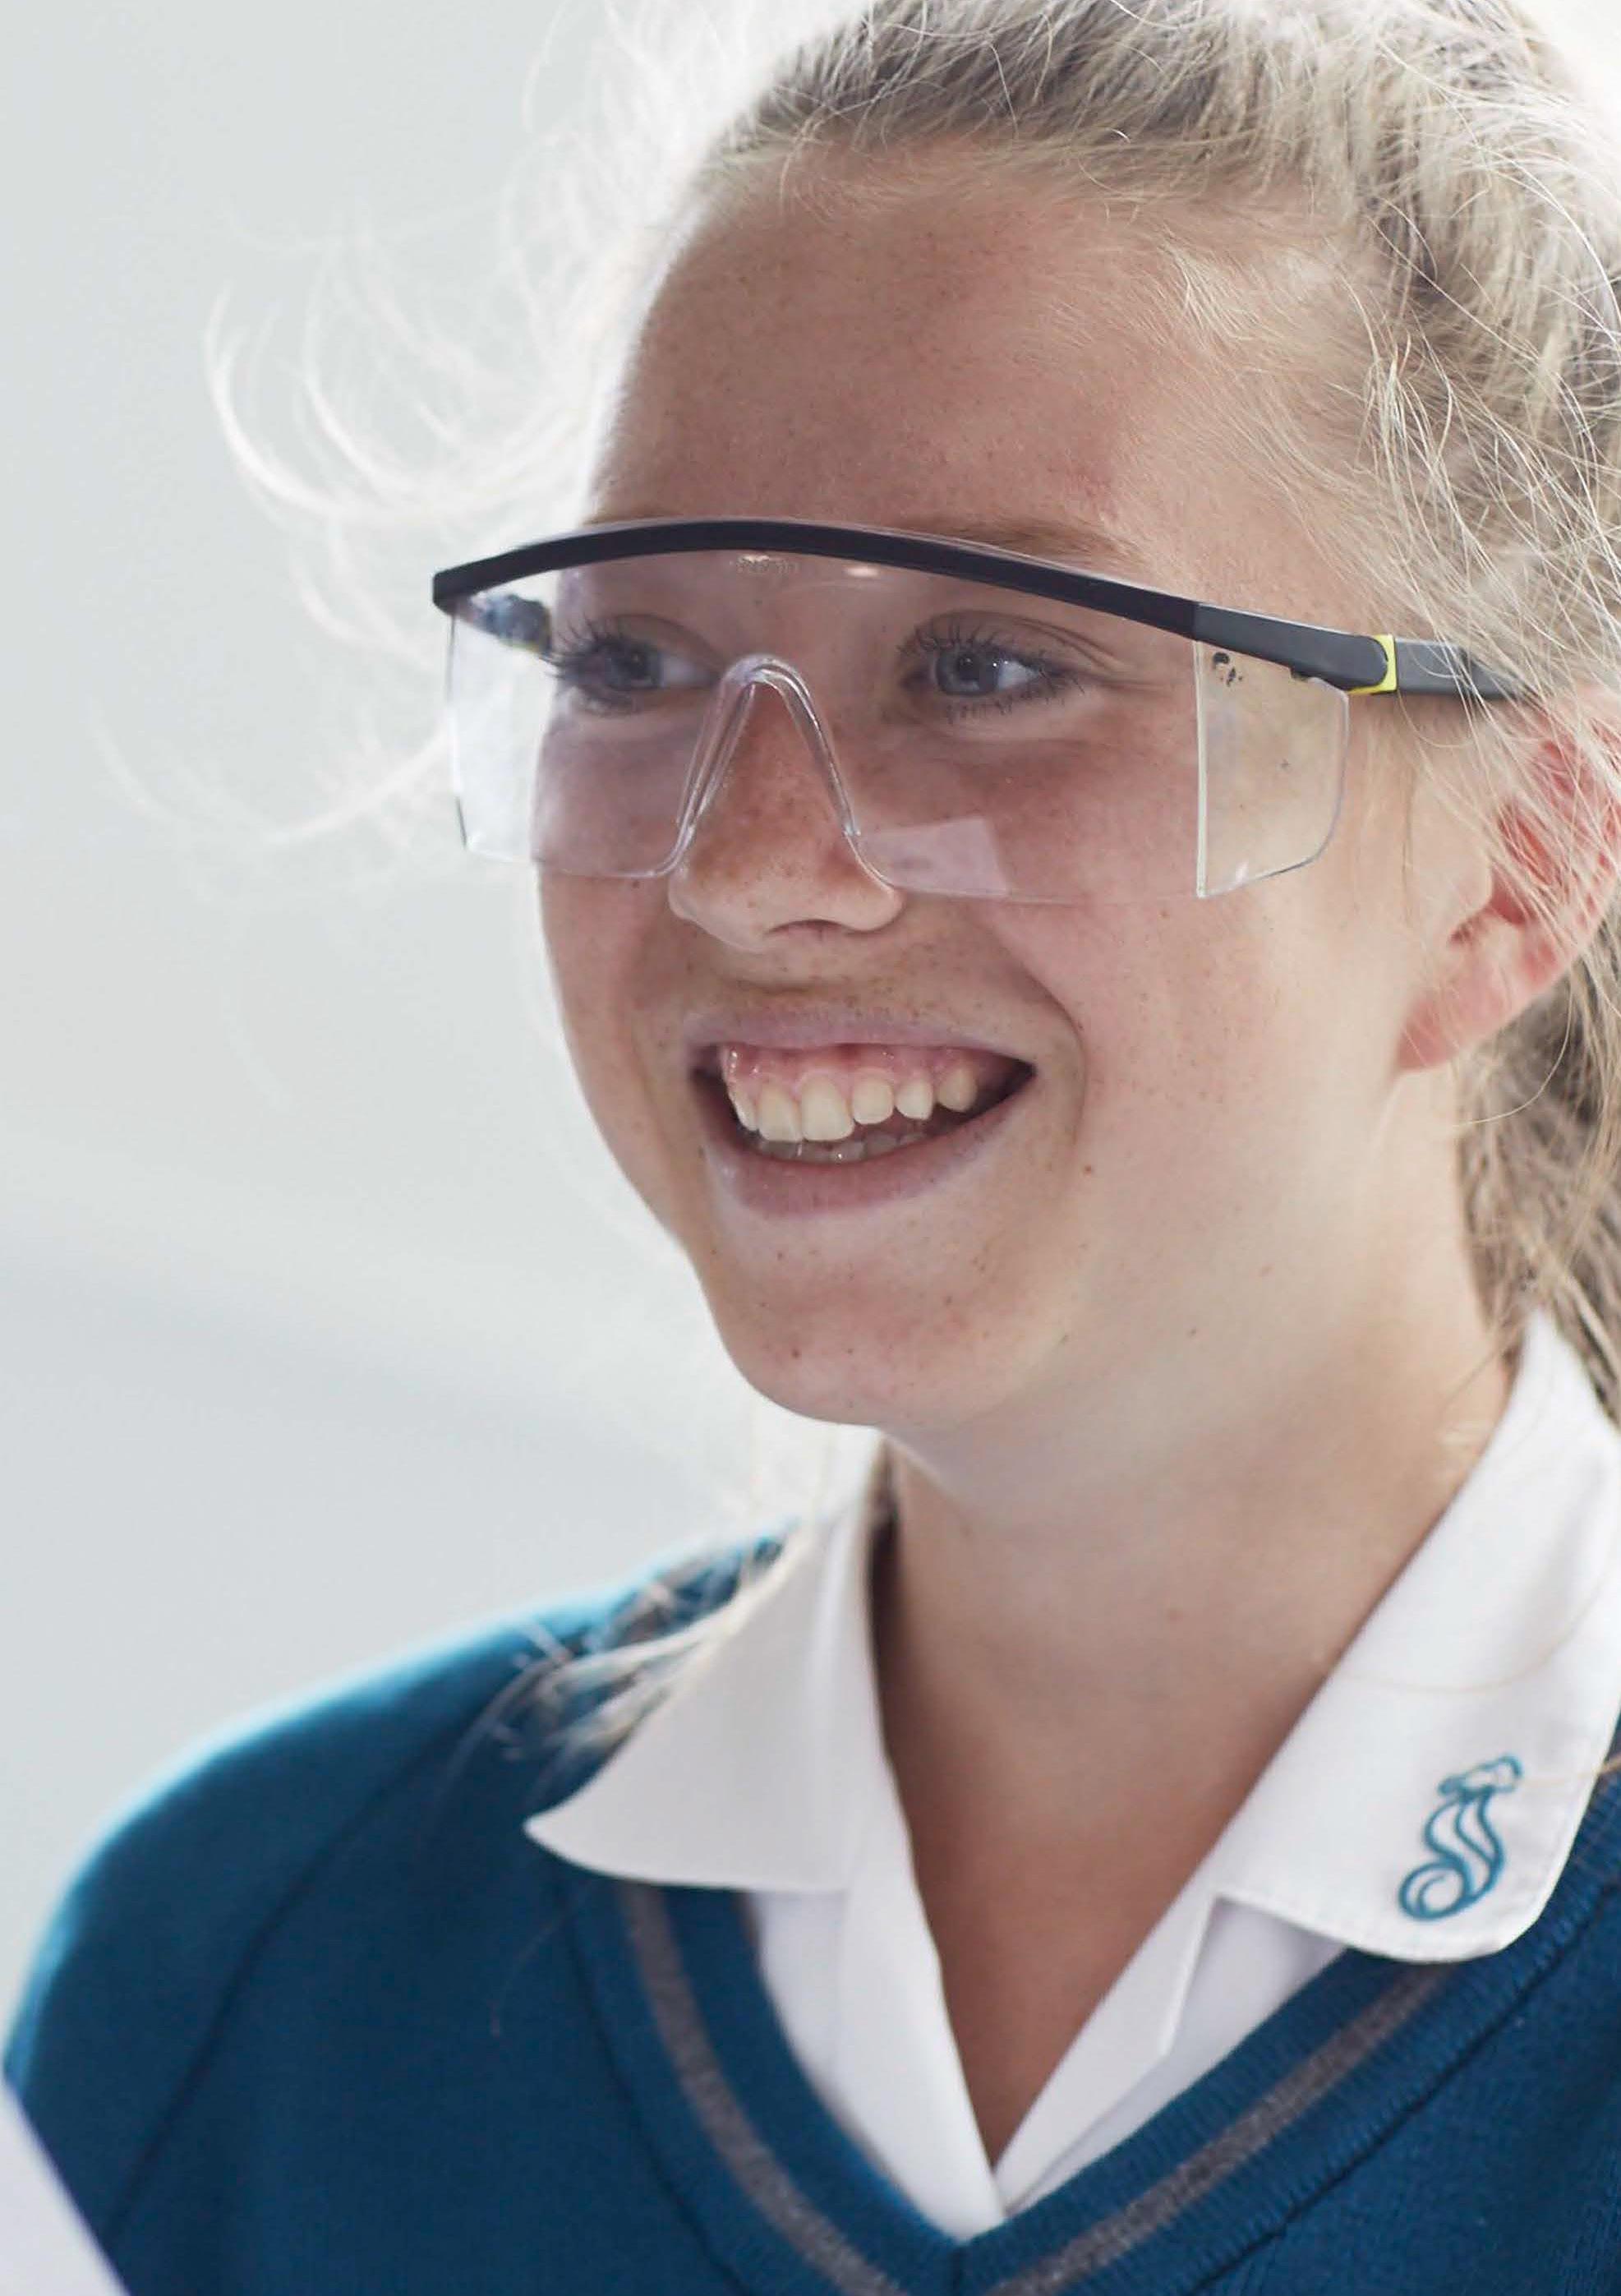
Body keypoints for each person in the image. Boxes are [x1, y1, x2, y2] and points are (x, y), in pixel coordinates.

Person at [11, 0, 1621, 2285]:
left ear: (1519, 865)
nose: (751, 862)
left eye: (991, 663)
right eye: (634, 662)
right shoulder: (243, 2003)